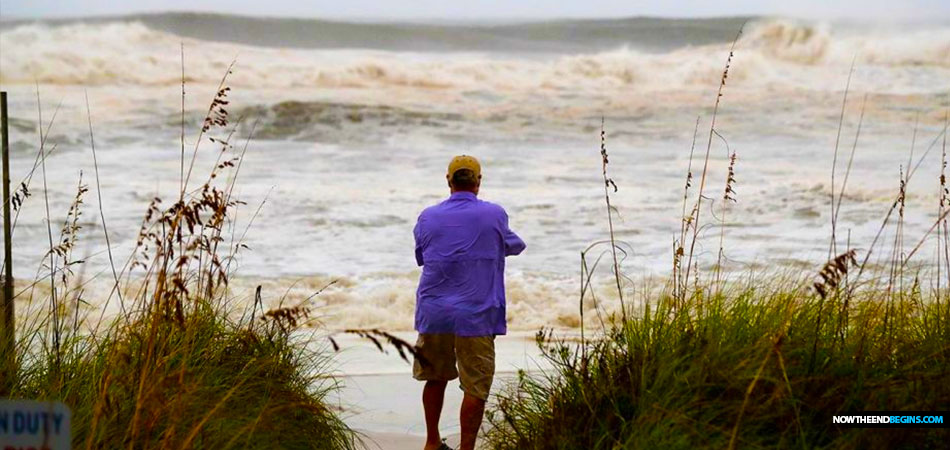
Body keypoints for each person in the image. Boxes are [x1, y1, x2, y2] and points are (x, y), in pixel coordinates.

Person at [412, 155, 526, 450]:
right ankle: (466, 449)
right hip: (476, 312)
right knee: (475, 385)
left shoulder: (427, 216)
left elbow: (422, 256)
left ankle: (432, 442)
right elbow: (516, 245)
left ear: (449, 180)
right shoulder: (494, 214)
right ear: (478, 181)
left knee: (435, 378)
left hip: (434, 310)